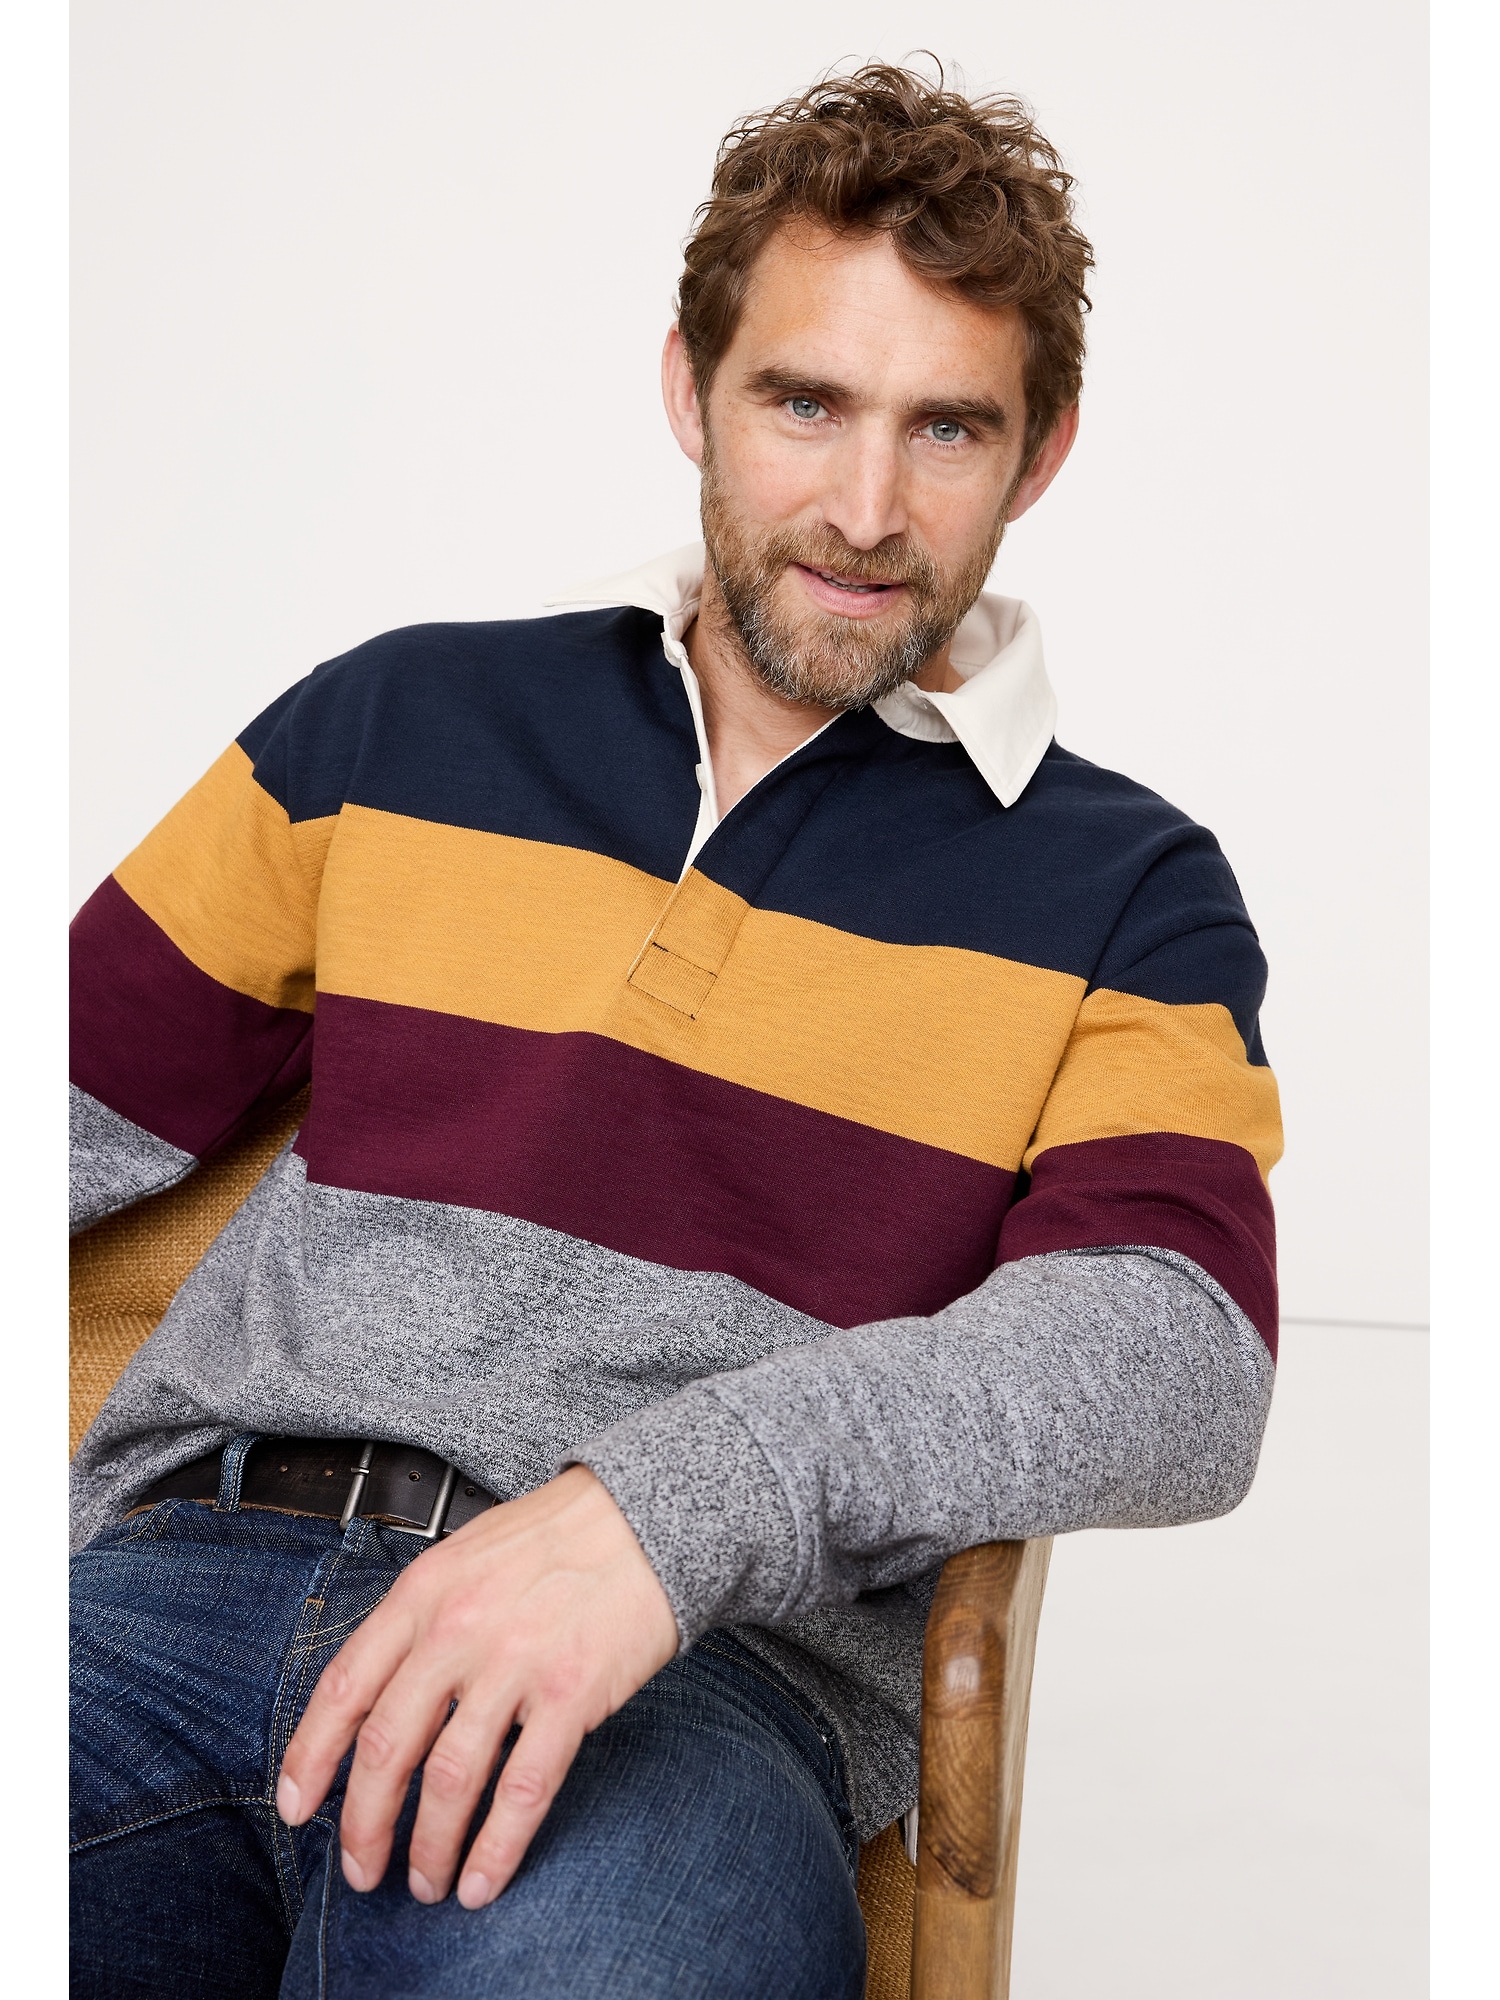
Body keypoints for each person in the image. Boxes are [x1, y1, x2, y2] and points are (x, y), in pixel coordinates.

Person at [69, 63, 1282, 2000]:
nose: (866, 511)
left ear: (1040, 453)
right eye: (804, 403)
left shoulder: (1130, 888)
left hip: (688, 1695)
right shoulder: (394, 720)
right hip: (159, 1607)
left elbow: (1176, 1352)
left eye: (945, 427)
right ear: (687, 388)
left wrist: (669, 1513)